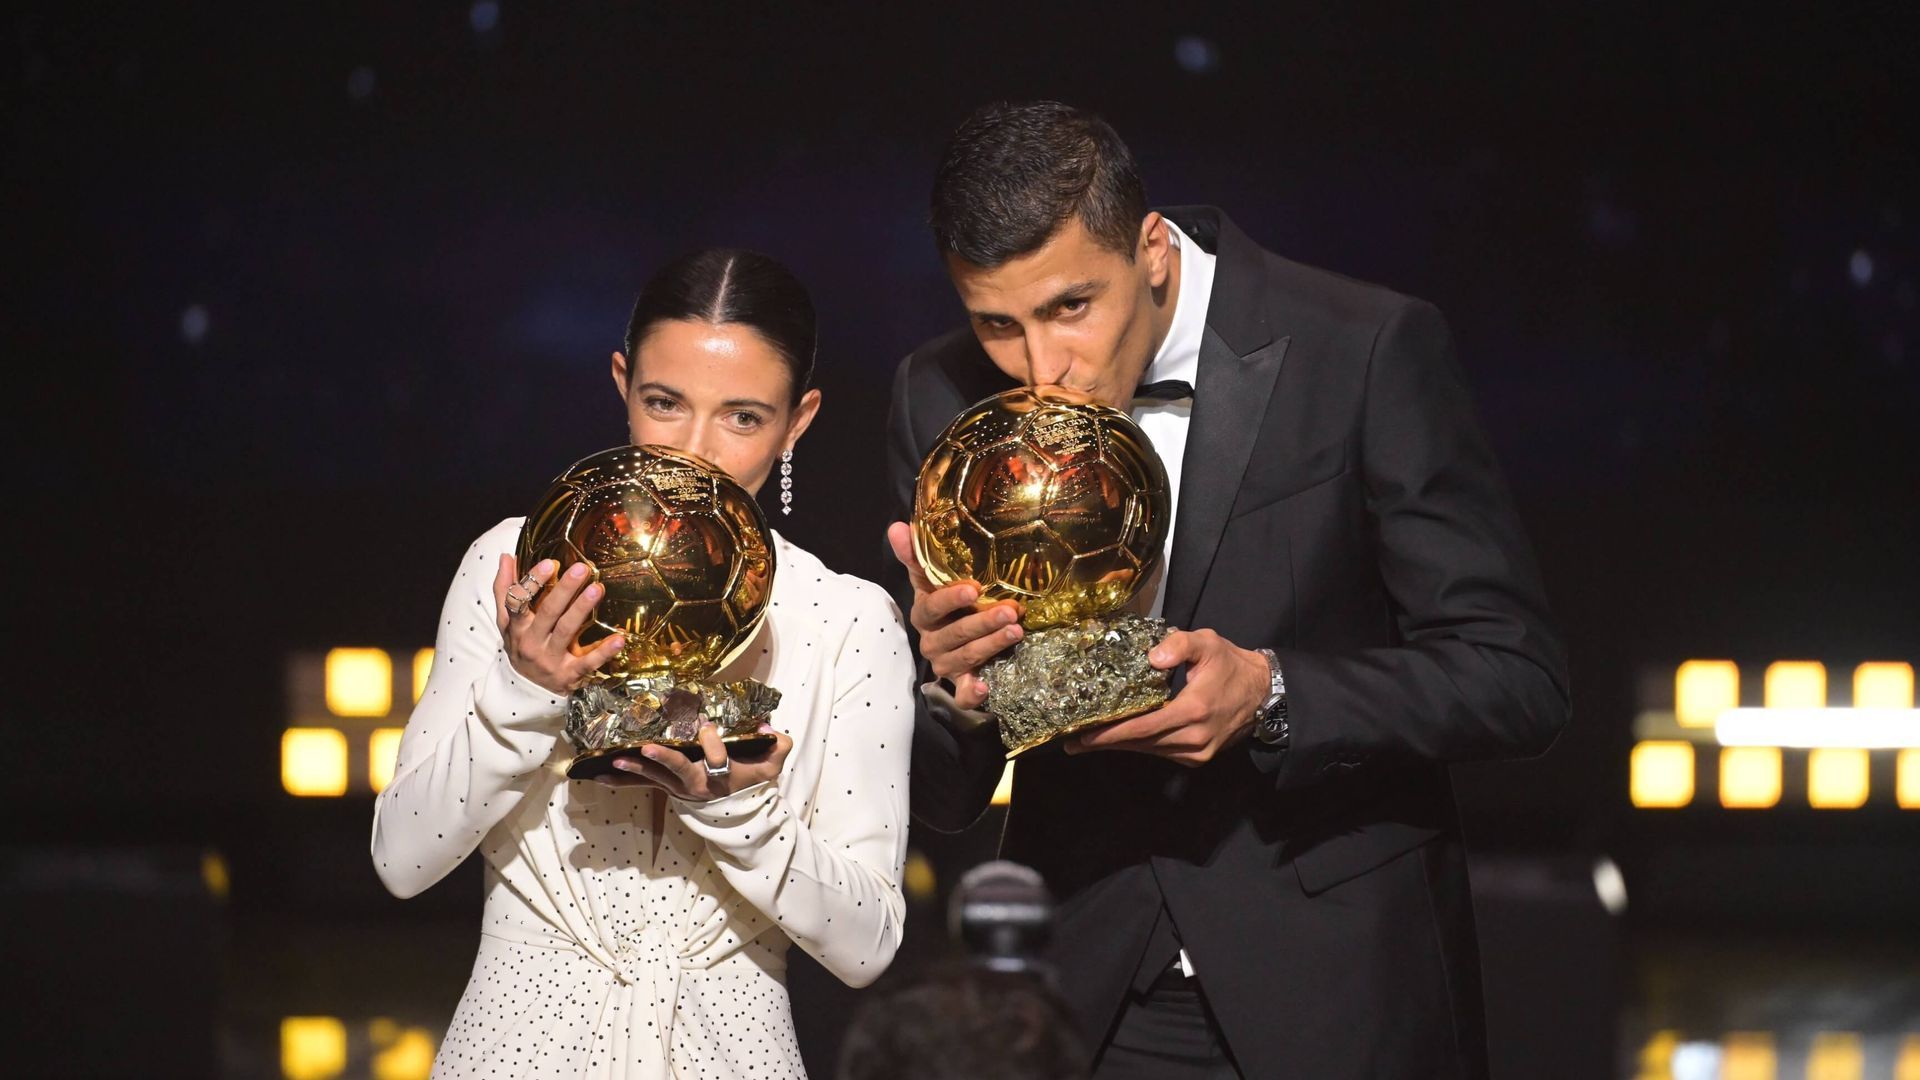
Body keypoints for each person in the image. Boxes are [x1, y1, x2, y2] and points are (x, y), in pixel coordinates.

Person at [885, 101, 1571, 1078]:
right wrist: (946, 682)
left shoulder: (1363, 347)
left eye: (1071, 308)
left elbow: (1517, 676)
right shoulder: (940, 397)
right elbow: (946, 792)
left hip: (1336, 991)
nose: (1043, 371)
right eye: (998, 323)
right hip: (1080, 996)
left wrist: (1273, 692)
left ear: (1153, 250)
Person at [373, 248, 915, 1079]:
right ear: (622, 384)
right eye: (665, 403)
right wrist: (522, 691)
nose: (694, 452)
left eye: (742, 417)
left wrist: (739, 809)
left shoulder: (845, 619)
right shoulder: (516, 566)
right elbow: (402, 858)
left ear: (798, 421)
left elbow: (868, 944)